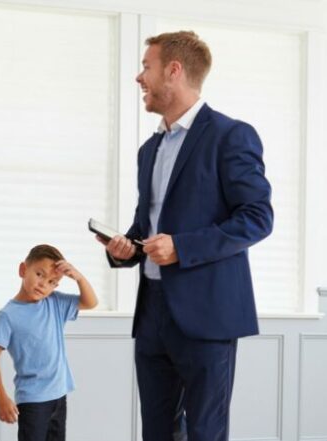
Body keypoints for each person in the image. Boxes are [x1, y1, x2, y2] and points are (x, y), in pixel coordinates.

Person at [97, 31, 273, 440]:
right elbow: (147, 228)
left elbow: (258, 217)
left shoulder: (231, 136)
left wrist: (182, 247)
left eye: (147, 67)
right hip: (153, 313)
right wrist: (125, 248)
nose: (140, 78)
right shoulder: (149, 150)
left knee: (205, 433)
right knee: (156, 433)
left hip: (208, 316)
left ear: (173, 71)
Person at [0, 244, 98, 441]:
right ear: (23, 270)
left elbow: (91, 302)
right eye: (39, 274)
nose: (44, 284)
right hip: (33, 400)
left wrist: (78, 277)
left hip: (59, 395)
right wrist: (1, 398)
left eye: (52, 281)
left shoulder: (55, 303)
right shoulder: (8, 315)